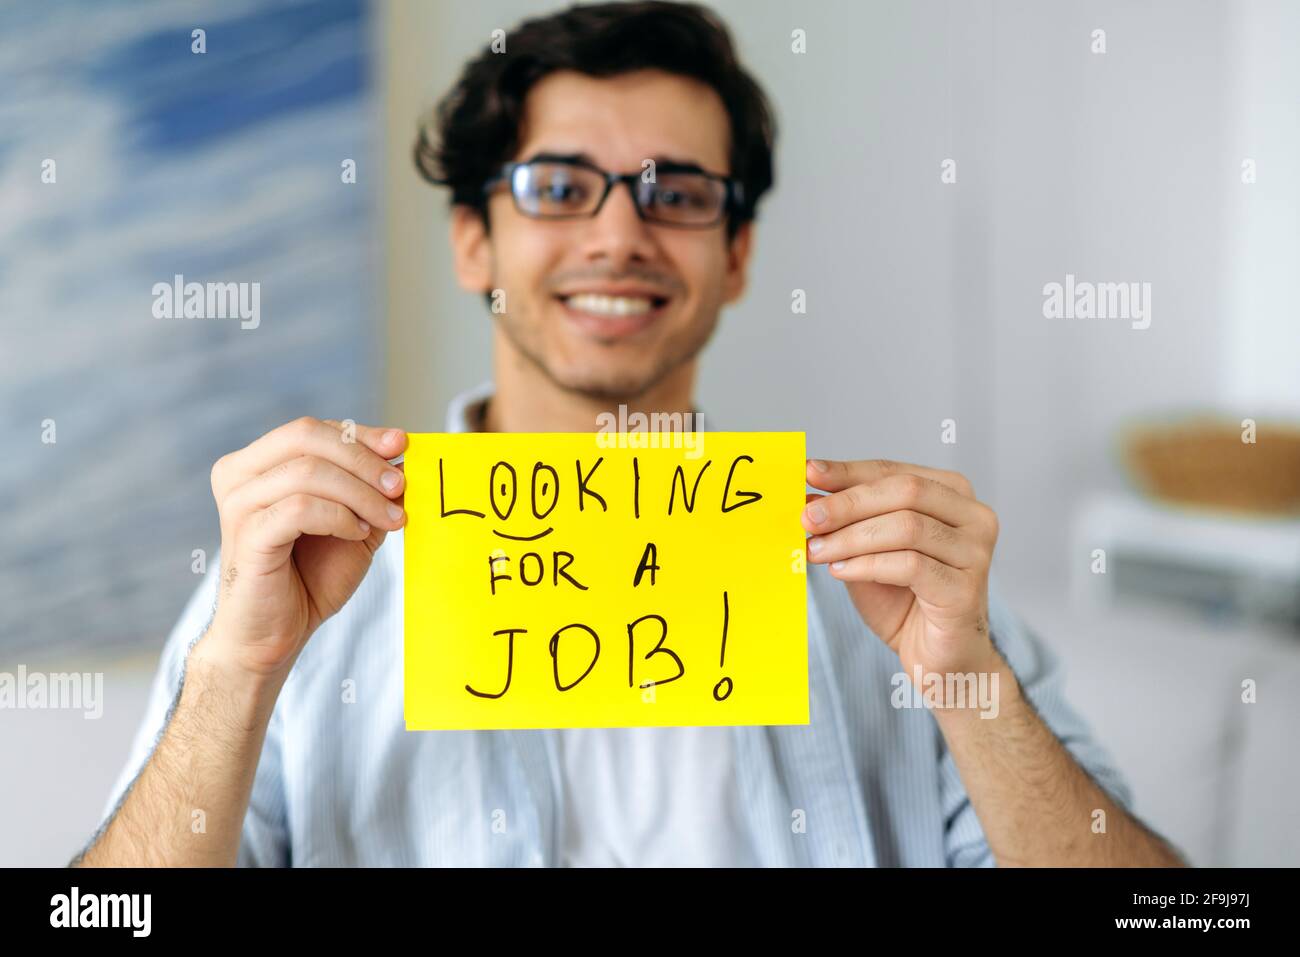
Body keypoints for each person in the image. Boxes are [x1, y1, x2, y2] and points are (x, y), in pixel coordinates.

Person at [76, 0, 1183, 867]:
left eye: (679, 193)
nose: (618, 234)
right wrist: (237, 673)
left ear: (735, 256)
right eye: (558, 187)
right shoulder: (288, 591)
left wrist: (965, 682)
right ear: (474, 243)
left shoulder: (905, 601)